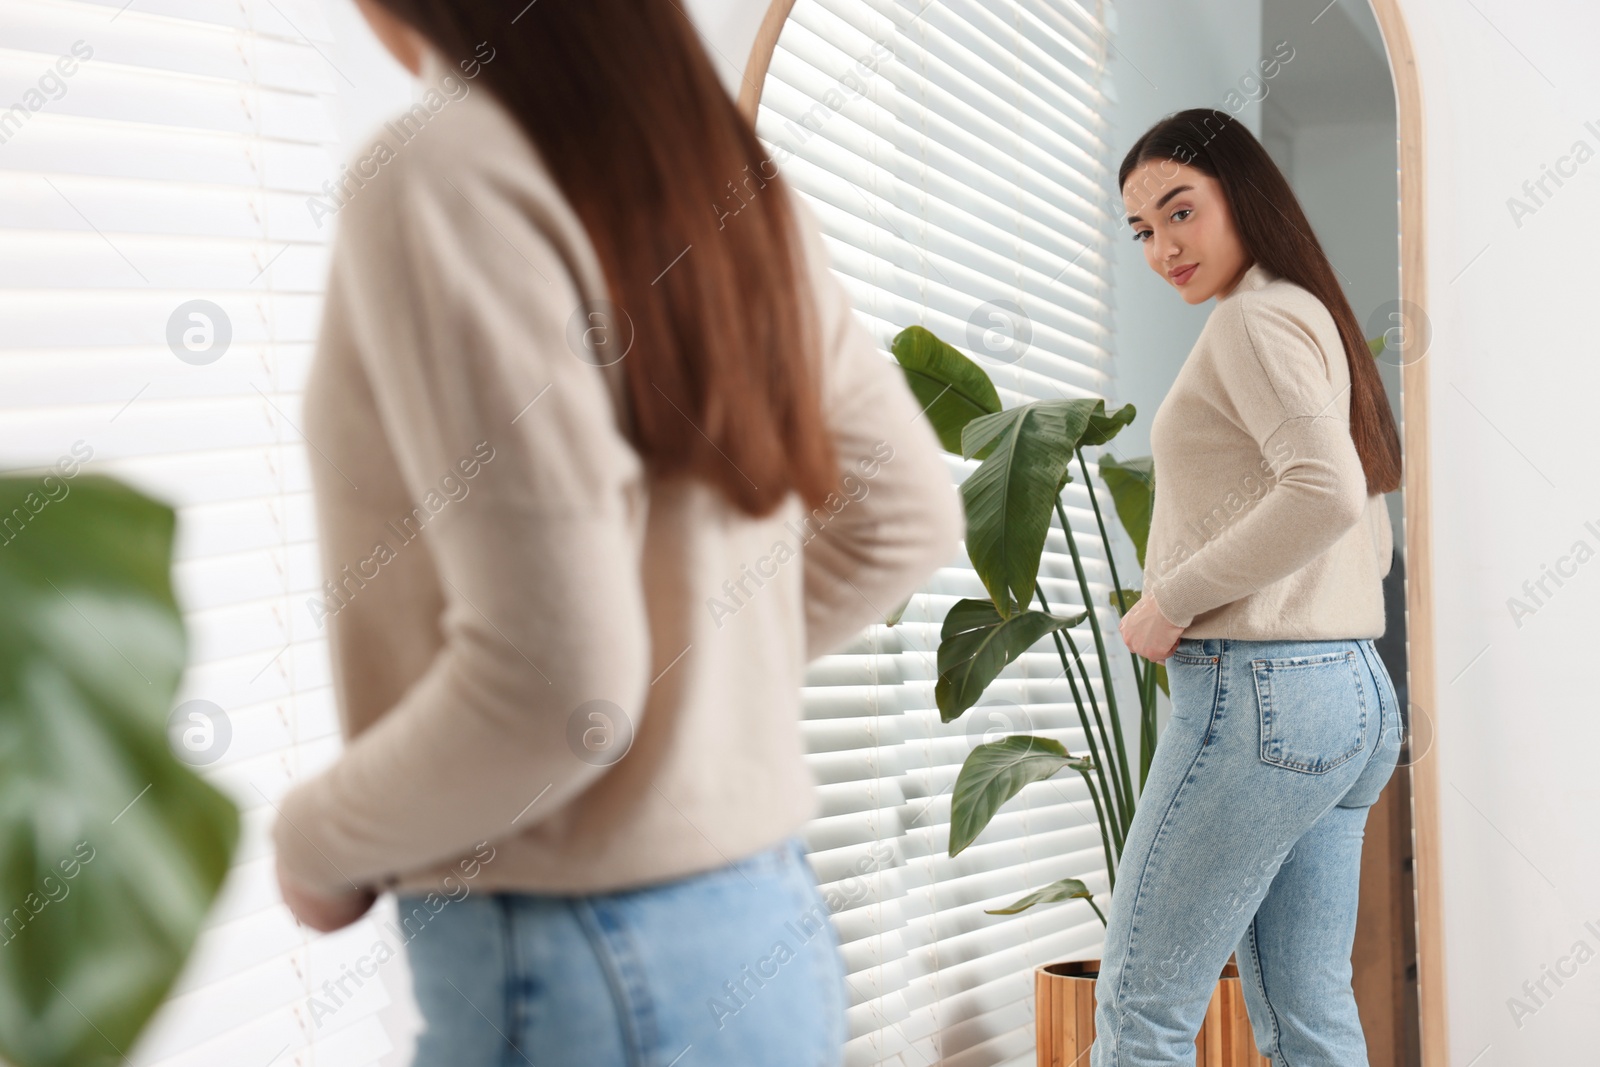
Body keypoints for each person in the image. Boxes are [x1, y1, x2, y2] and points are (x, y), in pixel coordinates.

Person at [267, 2, 964, 1065]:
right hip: (766, 929)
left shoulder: (442, 171)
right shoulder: (717, 175)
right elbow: (903, 515)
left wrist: (317, 839)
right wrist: (681, 686)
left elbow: (556, 689)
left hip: (577, 966)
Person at [1098, 108, 1404, 1066]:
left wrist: (1172, 598)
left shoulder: (1253, 319)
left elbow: (1326, 490)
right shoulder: (1307, 310)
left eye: (1180, 210)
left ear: (1243, 193)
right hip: (1353, 695)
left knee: (1141, 1012)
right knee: (1309, 1013)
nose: (1162, 247)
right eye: (1142, 229)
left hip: (1264, 700)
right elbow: (1370, 531)